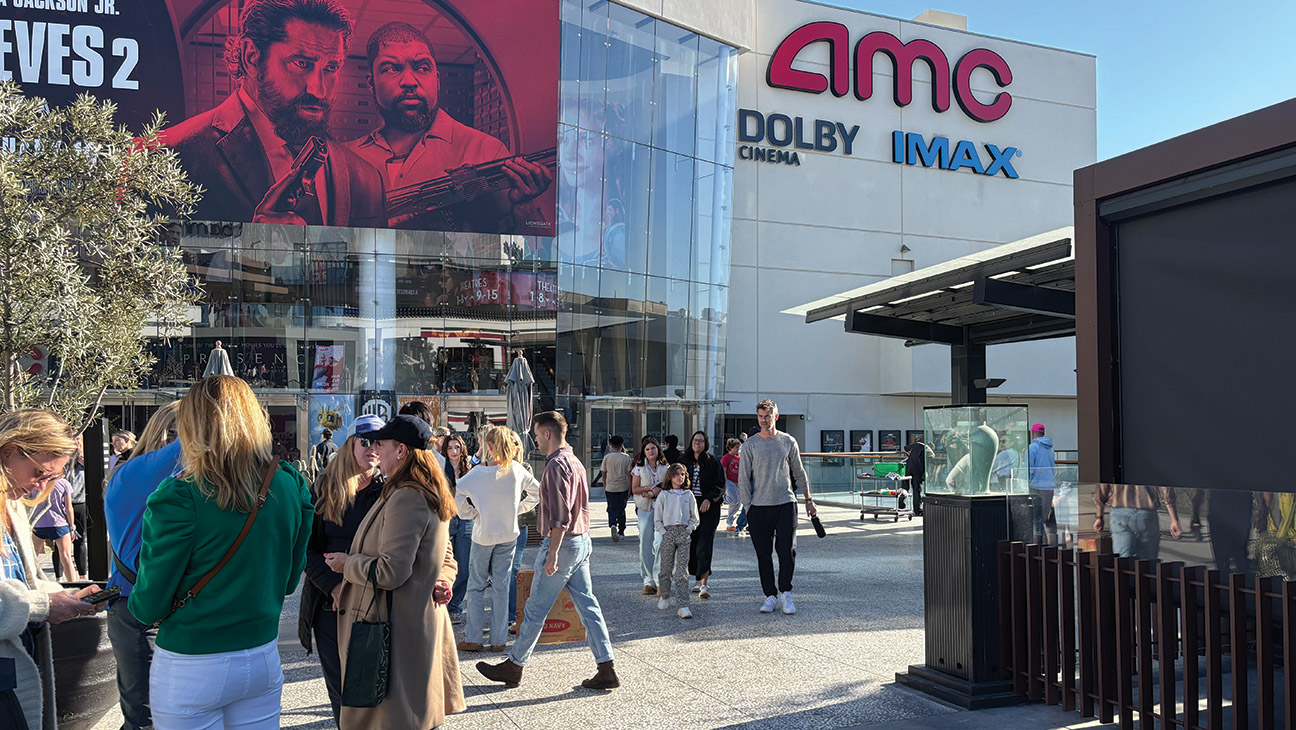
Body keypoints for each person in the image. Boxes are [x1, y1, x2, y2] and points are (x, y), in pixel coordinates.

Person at [128, 375, 314, 730]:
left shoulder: (180, 496)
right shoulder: (290, 484)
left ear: (192, 425)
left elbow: (147, 605)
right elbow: (290, 582)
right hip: (261, 654)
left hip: (192, 661)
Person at [162, 0, 385, 227]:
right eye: (301, 63)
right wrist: (248, 253)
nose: (318, 90)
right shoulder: (168, 157)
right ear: (252, 57)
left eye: (331, 68)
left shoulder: (366, 178)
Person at [324, 414, 465, 729]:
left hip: (396, 633)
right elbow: (442, 553)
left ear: (400, 450)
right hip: (405, 628)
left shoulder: (407, 496)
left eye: (382, 443)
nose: (377, 449)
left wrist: (347, 564)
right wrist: (441, 578)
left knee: (397, 719)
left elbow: (391, 572)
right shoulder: (413, 490)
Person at [348, 22, 553, 232]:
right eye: (392, 68)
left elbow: (533, 250)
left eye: (422, 67)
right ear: (371, 83)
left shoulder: (487, 151)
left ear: (437, 81)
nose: (409, 80)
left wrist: (524, 205)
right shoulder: (344, 159)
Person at [477, 411, 619, 690]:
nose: (534, 440)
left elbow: (560, 517)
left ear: (547, 434)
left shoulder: (555, 465)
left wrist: (552, 553)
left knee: (535, 609)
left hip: (563, 544)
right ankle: (606, 666)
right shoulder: (575, 462)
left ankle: (514, 665)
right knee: (588, 606)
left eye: (536, 433)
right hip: (581, 541)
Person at [0, 410, 104, 730]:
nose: (39, 486)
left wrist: (64, 596)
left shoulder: (11, 504)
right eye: (40, 472)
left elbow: (21, 580)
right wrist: (44, 605)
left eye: (51, 478)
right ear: (9, 451)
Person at [298, 414, 385, 725]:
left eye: (379, 442)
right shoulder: (323, 487)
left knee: (371, 690)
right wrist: (334, 587)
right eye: (366, 440)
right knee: (342, 691)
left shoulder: (389, 490)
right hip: (328, 603)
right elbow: (306, 549)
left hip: (374, 603)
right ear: (350, 443)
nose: (372, 448)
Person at [104, 401, 182, 730]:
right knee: (146, 718)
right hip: (137, 610)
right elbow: (208, 438)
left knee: (161, 713)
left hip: (150, 607)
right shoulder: (139, 471)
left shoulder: (134, 471)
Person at [453, 426, 540, 652]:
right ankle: (499, 640)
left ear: (489, 446)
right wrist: (518, 509)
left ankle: (473, 637)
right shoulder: (516, 469)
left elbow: (457, 493)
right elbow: (537, 493)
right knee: (501, 585)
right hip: (509, 532)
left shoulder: (477, 473)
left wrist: (471, 513)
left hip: (483, 534)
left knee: (476, 585)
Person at [739, 399, 815, 615]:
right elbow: (743, 478)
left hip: (786, 503)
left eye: (768, 416)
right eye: (761, 416)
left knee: (786, 550)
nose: (764, 420)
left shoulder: (788, 441)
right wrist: (747, 507)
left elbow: (799, 472)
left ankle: (785, 593)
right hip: (759, 506)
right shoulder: (750, 445)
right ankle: (770, 595)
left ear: (776, 417)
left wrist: (809, 500)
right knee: (763, 554)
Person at [681, 431, 724, 598]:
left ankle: (704, 584)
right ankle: (697, 579)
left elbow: (720, 485)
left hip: (708, 508)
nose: (697, 443)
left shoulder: (712, 462)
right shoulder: (683, 461)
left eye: (700, 441)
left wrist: (709, 499)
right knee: (692, 544)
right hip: (689, 507)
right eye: (694, 440)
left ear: (705, 443)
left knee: (704, 545)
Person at [654, 464, 699, 619]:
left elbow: (695, 516)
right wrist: (663, 532)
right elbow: (657, 517)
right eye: (676, 475)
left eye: (682, 474)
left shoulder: (688, 495)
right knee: (666, 567)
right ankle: (665, 595)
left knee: (682, 571)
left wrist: (689, 528)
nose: (680, 477)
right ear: (670, 477)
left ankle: (683, 604)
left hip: (684, 533)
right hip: (668, 533)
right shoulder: (664, 495)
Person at [1094, 484, 1182, 561]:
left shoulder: (1114, 464)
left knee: (1124, 559)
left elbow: (1102, 488)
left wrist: (1099, 517)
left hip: (1120, 513)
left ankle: (1127, 578)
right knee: (1147, 561)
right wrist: (1174, 519)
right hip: (1146, 514)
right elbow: (1166, 488)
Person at [443, 433, 473, 623]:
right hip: (446, 517)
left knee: (463, 566)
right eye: (450, 448)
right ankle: (443, 602)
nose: (454, 451)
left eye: (457, 447)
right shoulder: (440, 468)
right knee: (444, 562)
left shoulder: (469, 469)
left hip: (465, 518)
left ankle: (455, 606)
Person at [630, 436, 666, 595]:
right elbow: (634, 489)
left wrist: (659, 490)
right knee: (645, 543)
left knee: (659, 543)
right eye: (647, 449)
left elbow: (671, 486)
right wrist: (649, 488)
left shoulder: (666, 467)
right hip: (645, 509)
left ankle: (659, 579)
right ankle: (648, 580)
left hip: (662, 510)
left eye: (653, 448)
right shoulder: (639, 468)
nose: (651, 451)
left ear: (658, 449)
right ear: (644, 452)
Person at [31, 474, 78, 583]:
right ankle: (73, 585)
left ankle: (32, 582)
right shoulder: (63, 483)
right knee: (66, 557)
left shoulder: (36, 482)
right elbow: (68, 507)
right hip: (58, 523)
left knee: (33, 556)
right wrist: (72, 526)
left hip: (39, 522)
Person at [1027, 423, 1057, 544]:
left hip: (1036, 487)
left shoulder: (1032, 448)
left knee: (1035, 520)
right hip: (1049, 487)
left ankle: (1037, 547)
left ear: (1033, 434)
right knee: (1043, 519)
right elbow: (1054, 468)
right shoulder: (1050, 449)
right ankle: (1044, 547)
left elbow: (1029, 468)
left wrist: (1027, 482)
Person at [599, 435, 632, 542]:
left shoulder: (607, 458)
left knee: (611, 507)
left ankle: (612, 523)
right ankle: (621, 531)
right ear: (622, 445)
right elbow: (629, 474)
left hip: (610, 487)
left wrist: (605, 485)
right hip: (623, 487)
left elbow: (603, 473)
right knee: (621, 509)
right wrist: (630, 488)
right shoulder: (626, 457)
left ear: (610, 445)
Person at [64, 448, 88, 580]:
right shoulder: (63, 462)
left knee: (80, 539)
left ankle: (82, 574)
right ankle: (59, 576)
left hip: (79, 502)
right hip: (62, 503)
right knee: (61, 540)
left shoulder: (84, 461)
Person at [903, 435, 928, 516]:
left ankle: (901, 504)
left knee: (905, 487)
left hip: (909, 467)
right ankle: (917, 510)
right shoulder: (926, 447)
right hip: (918, 469)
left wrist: (910, 454)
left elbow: (906, 447)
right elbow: (932, 456)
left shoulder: (915, 445)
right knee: (916, 490)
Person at [721, 438, 742, 531]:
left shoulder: (738, 458)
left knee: (737, 503)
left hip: (738, 482)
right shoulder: (726, 458)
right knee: (734, 500)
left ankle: (729, 523)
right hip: (730, 481)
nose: (738, 449)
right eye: (736, 447)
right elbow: (723, 470)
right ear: (730, 448)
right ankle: (723, 498)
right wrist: (725, 481)